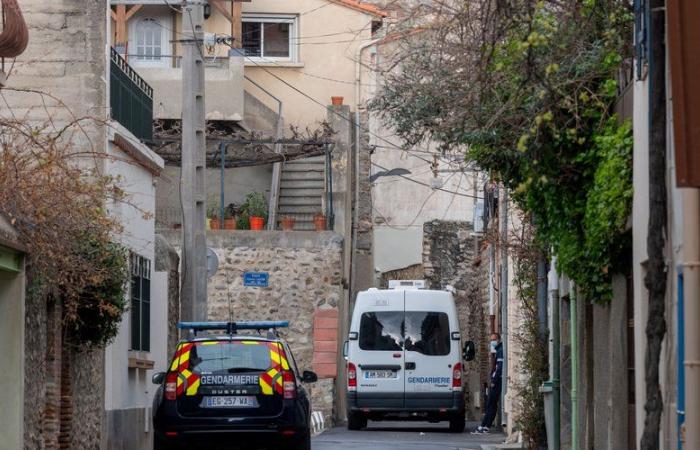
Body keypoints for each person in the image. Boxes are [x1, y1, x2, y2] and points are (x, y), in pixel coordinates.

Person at [472, 333, 503, 434]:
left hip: (497, 382)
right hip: (497, 381)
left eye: (494, 340)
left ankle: (484, 426)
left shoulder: (500, 351)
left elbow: (499, 368)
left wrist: (494, 381)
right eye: (491, 340)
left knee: (490, 403)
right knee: (492, 404)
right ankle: (486, 426)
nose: (492, 342)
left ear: (498, 339)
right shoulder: (498, 350)